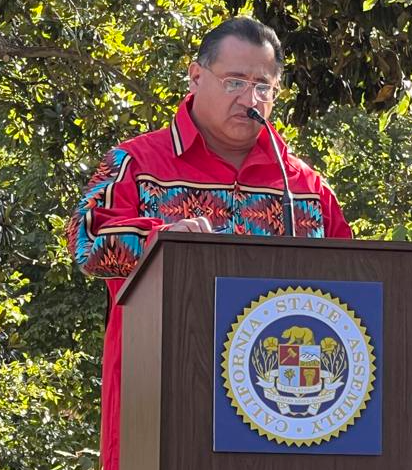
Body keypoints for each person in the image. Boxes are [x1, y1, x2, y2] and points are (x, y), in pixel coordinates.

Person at [67, 17, 352, 470]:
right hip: (162, 413)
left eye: (264, 86)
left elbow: (356, 288)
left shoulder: (306, 187)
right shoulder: (136, 163)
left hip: (283, 423)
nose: (249, 98)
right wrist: (160, 242)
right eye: (234, 81)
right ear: (196, 75)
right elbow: (85, 242)